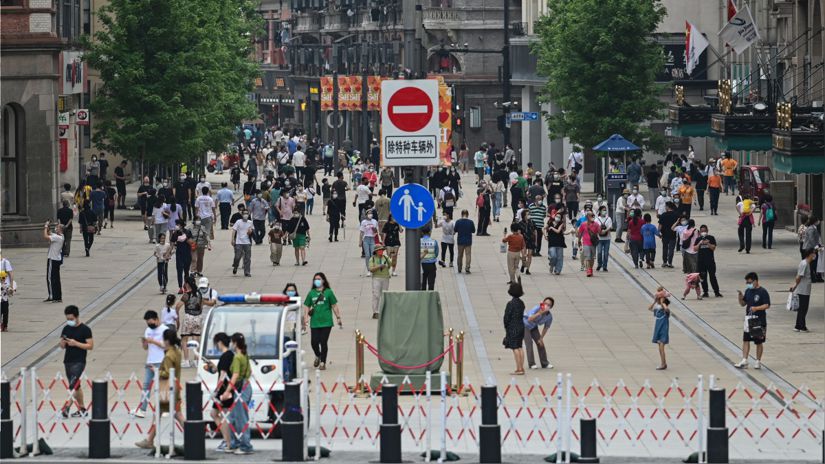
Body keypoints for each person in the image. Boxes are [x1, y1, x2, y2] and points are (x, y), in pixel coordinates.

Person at [134, 328, 184, 450]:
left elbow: (167, 373)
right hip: (175, 387)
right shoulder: (177, 352)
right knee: (172, 413)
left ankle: (149, 440)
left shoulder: (169, 356)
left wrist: (156, 371)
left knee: (163, 413)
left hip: (167, 389)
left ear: (167, 341)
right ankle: (150, 440)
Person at [302, 273, 343, 370]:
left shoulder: (329, 292)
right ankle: (318, 355)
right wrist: (305, 318)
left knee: (323, 341)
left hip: (326, 322)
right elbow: (307, 306)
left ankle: (323, 362)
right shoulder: (311, 293)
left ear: (323, 280)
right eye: (315, 279)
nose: (317, 281)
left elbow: (334, 305)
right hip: (315, 322)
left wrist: (338, 317)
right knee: (314, 342)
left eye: (319, 279)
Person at [222, 332, 253, 454]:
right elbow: (250, 371)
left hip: (240, 389)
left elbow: (235, 376)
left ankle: (245, 446)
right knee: (233, 417)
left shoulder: (237, 357)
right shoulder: (245, 355)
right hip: (245, 386)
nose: (230, 344)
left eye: (231, 342)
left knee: (241, 418)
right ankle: (235, 443)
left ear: (235, 343)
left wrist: (227, 391)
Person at [60, 305, 93, 417]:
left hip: (79, 361)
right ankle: (82, 409)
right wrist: (63, 342)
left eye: (71, 319)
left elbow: (90, 345)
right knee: (76, 386)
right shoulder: (66, 328)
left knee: (73, 385)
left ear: (77, 316)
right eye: (68, 319)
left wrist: (76, 343)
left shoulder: (85, 329)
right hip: (68, 360)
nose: (69, 321)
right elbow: (61, 346)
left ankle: (66, 407)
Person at [202, 332, 233, 451]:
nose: (216, 346)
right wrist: (214, 366)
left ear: (220, 342)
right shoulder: (229, 355)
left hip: (224, 390)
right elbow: (222, 371)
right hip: (226, 389)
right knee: (218, 414)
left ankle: (227, 441)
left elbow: (223, 375)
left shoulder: (225, 356)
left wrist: (216, 391)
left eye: (216, 343)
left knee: (218, 415)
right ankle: (227, 441)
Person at [133, 311, 168, 418]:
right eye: (148, 323)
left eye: (151, 322)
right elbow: (145, 348)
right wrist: (144, 343)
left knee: (162, 385)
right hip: (150, 361)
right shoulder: (148, 330)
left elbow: (166, 346)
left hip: (161, 361)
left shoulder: (165, 330)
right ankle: (142, 409)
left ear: (157, 319)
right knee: (146, 386)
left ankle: (164, 408)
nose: (150, 325)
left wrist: (153, 341)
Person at [735, 272, 770, 369]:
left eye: (750, 282)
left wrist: (757, 308)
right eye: (747, 283)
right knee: (746, 340)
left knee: (758, 342)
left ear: (756, 281)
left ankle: (758, 361)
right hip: (749, 319)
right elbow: (743, 304)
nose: (748, 284)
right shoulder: (748, 291)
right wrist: (740, 297)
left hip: (758, 320)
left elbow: (767, 305)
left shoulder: (762, 291)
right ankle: (744, 360)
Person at [176, 276, 203, 367]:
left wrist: (177, 315)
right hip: (198, 317)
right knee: (196, 338)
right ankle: (196, 361)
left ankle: (186, 360)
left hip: (189, 317)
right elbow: (201, 305)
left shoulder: (186, 294)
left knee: (184, 339)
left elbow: (178, 306)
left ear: (187, 284)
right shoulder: (199, 293)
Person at [523, 297, 554, 369]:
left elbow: (546, 327)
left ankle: (545, 363)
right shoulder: (537, 308)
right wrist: (539, 313)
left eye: (548, 305)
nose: (546, 306)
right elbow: (529, 319)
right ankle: (531, 363)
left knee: (540, 343)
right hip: (525, 325)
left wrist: (541, 338)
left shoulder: (549, 316)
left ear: (551, 307)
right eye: (545, 303)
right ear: (542, 303)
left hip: (533, 327)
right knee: (529, 343)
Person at [502, 282, 526, 375]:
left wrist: (506, 326)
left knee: (515, 347)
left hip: (513, 326)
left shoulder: (510, 304)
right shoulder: (521, 303)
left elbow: (507, 317)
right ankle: (522, 367)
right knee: (520, 346)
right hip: (521, 326)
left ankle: (519, 368)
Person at [790, 249, 816, 332]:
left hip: (805, 289)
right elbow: (798, 277)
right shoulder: (804, 264)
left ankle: (798, 326)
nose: (814, 255)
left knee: (802, 308)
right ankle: (802, 326)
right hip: (803, 290)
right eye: (814, 253)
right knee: (803, 308)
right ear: (810, 254)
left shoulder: (805, 263)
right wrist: (795, 286)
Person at [692, 225, 722, 298]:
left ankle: (717, 292)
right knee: (703, 278)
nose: (703, 232)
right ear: (700, 232)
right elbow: (695, 249)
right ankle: (705, 292)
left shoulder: (711, 238)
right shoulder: (698, 239)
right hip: (701, 262)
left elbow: (713, 248)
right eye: (702, 231)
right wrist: (700, 243)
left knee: (712, 277)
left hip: (710, 261)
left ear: (707, 231)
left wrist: (708, 243)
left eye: (705, 231)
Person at [368, 245, 392, 319]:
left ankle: (384, 311)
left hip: (385, 278)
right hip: (376, 278)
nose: (381, 251)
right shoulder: (372, 259)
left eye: (382, 250)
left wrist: (393, 257)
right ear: (376, 251)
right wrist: (379, 266)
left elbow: (391, 265)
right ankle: (375, 312)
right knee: (376, 295)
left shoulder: (386, 258)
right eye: (379, 250)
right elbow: (371, 269)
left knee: (384, 295)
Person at [44, 221, 64, 302]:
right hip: (57, 259)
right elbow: (49, 233)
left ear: (60, 229)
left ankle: (52, 296)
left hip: (52, 259)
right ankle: (57, 296)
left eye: (57, 227)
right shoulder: (60, 236)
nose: (56, 228)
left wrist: (45, 226)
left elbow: (46, 236)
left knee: (50, 278)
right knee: (56, 279)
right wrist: (48, 227)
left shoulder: (58, 237)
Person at [649, 295, 670, 370]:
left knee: (661, 347)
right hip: (658, 329)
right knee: (660, 348)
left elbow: (666, 309)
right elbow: (649, 308)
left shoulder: (665, 311)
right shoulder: (658, 310)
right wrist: (655, 301)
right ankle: (663, 363)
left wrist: (662, 303)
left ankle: (663, 364)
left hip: (663, 330)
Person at [577, 211, 600, 277]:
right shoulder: (583, 224)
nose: (592, 217)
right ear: (587, 217)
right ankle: (588, 271)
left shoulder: (596, 224)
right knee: (587, 257)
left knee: (592, 258)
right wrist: (579, 240)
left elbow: (600, 232)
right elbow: (580, 233)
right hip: (586, 243)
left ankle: (590, 269)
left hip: (593, 243)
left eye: (593, 215)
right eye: (590, 215)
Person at [231, 209, 253, 277]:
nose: (246, 215)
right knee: (237, 256)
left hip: (247, 242)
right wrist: (232, 239)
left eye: (247, 214)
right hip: (239, 242)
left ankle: (247, 272)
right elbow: (234, 230)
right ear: (242, 215)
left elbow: (252, 231)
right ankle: (235, 266)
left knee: (247, 258)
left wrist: (250, 232)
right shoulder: (238, 222)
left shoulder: (250, 222)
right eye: (244, 214)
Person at [452, 210, 475, 274]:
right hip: (468, 241)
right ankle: (467, 267)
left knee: (460, 255)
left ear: (461, 214)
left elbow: (455, 230)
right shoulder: (471, 222)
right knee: (468, 255)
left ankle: (459, 268)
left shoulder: (458, 222)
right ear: (467, 215)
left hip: (460, 241)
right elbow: (473, 231)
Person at [658, 202, 678, 268]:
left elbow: (660, 225)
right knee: (671, 249)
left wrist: (659, 233)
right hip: (673, 234)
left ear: (668, 207)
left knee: (665, 248)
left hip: (664, 234)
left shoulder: (663, 215)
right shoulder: (676, 215)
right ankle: (670, 263)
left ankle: (664, 262)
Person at [802, 216, 822, 282]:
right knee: (812, 263)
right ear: (814, 221)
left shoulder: (814, 227)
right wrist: (815, 246)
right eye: (817, 220)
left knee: (814, 263)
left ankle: (815, 277)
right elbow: (811, 239)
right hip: (809, 248)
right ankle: (812, 277)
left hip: (812, 247)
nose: (818, 221)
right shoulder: (811, 228)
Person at [420, 225, 439, 290]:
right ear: (430, 232)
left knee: (423, 282)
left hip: (422, 265)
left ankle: (423, 295)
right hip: (431, 265)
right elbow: (436, 253)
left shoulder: (418, 241)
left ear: (422, 233)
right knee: (431, 283)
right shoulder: (434, 241)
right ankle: (430, 295)